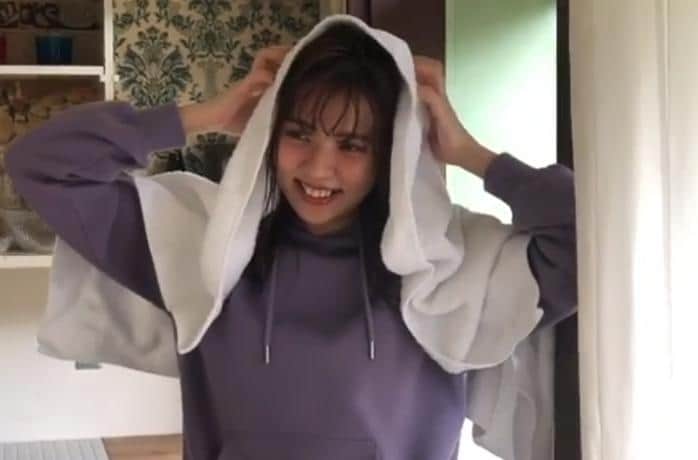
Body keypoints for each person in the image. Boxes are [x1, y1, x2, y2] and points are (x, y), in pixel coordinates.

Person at [6, 21, 576, 460]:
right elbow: (42, 164)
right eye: (298, 134)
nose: (318, 168)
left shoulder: (446, 269)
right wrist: (208, 114)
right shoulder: (206, 247)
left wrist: (467, 151)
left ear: (390, 155)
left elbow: (589, 240)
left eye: (352, 145)